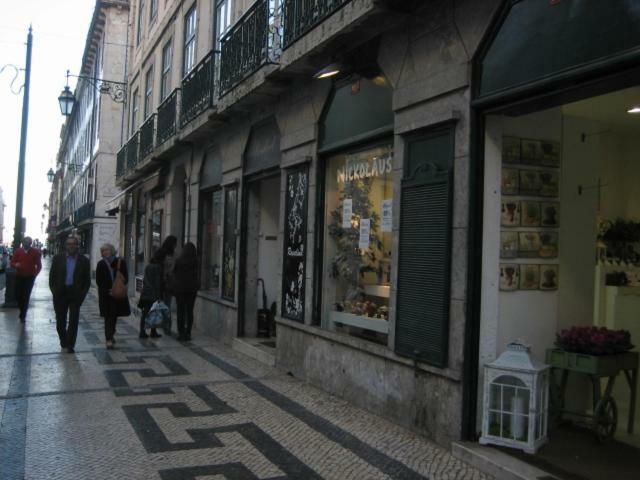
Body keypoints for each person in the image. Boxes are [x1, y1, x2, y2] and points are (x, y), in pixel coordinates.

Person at [49, 236, 91, 353]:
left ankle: (71, 344)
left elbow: (87, 281)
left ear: (77, 246)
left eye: (74, 244)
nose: (71, 246)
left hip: (75, 294)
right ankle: (64, 340)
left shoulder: (84, 260)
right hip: (60, 293)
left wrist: (82, 295)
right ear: (66, 246)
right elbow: (52, 277)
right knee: (60, 321)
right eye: (69, 244)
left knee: (74, 320)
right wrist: (54, 291)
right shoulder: (58, 259)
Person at [95, 244, 131, 349]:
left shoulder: (120, 262)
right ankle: (108, 339)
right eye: (102, 251)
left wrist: (117, 288)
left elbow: (126, 278)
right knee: (108, 317)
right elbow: (98, 281)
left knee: (114, 316)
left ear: (111, 250)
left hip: (117, 294)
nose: (104, 252)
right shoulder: (101, 264)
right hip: (106, 295)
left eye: (106, 250)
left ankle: (111, 334)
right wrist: (107, 291)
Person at [171, 242, 200, 341]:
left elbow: (174, 273)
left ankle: (181, 333)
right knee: (189, 311)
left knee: (181, 311)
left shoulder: (179, 260)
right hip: (192, 289)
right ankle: (188, 333)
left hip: (180, 289)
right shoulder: (195, 261)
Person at [11, 236, 42, 322]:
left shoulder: (35, 252)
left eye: (29, 242)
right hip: (19, 276)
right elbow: (12, 262)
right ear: (23, 242)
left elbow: (39, 265)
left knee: (26, 296)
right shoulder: (18, 251)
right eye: (26, 242)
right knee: (18, 295)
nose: (27, 244)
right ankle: (22, 310)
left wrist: (35, 274)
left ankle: (23, 315)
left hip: (29, 277)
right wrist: (15, 265)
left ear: (31, 243)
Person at [138, 249, 164, 339]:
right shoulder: (157, 267)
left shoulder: (148, 266)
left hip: (146, 292)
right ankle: (153, 331)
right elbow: (157, 283)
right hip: (152, 294)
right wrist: (158, 296)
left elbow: (145, 280)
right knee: (154, 312)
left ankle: (142, 331)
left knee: (145, 313)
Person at [159, 235, 178, 335]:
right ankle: (165, 324)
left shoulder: (173, 254)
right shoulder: (164, 254)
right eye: (175, 244)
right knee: (164, 304)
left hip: (168, 283)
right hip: (162, 282)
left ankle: (166, 324)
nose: (176, 246)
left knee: (166, 304)